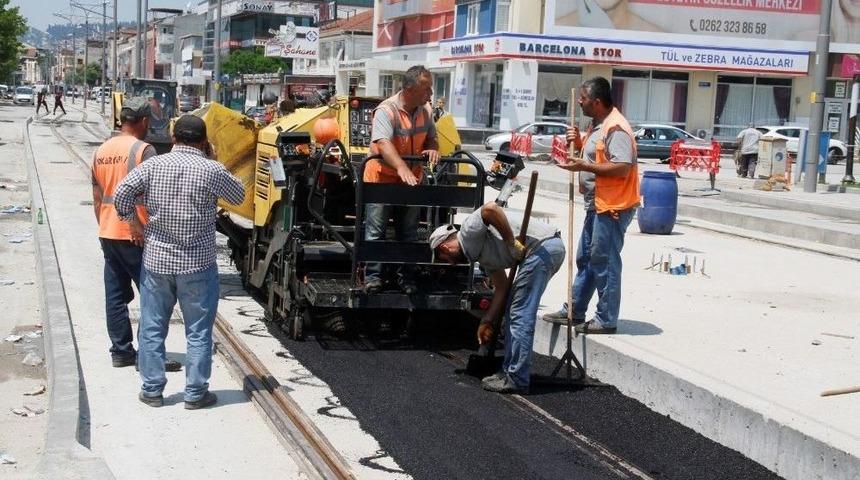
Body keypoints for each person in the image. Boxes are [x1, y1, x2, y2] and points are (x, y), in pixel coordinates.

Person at [113, 115, 244, 409]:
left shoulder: (153, 165)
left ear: (174, 138)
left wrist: (132, 222)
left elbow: (122, 193)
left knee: (152, 326)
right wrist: (213, 160)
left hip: (157, 262)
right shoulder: (212, 169)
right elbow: (238, 195)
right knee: (198, 330)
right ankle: (196, 394)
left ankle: (152, 390)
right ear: (203, 141)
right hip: (198, 265)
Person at [430, 203, 564, 394]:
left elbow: (490, 209)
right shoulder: (480, 254)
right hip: (542, 251)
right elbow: (501, 288)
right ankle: (510, 371)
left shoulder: (468, 232)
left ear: (444, 246)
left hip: (543, 248)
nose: (450, 263)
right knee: (513, 309)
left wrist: (511, 242)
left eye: (444, 258)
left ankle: (516, 378)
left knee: (520, 313)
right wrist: (487, 321)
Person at [542, 76, 640, 335]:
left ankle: (606, 319)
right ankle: (574, 309)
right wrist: (578, 143)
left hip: (613, 206)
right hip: (596, 203)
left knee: (604, 261)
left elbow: (621, 166)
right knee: (586, 258)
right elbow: (595, 153)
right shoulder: (598, 124)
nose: (579, 103)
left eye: (583, 100)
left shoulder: (616, 128)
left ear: (597, 102)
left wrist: (584, 166)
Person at [91, 97, 181, 372]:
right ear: (143, 121)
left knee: (115, 295)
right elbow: (156, 194)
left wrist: (106, 225)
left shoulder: (101, 150)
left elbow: (97, 197)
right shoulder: (144, 150)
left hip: (108, 232)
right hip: (138, 234)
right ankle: (149, 355)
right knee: (154, 296)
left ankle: (121, 352)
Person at [363, 65, 440, 294]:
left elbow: (432, 139)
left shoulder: (425, 110)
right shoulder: (386, 111)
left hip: (411, 180)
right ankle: (373, 277)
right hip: (382, 179)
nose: (430, 94)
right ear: (410, 89)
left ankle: (406, 277)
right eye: (426, 89)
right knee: (375, 231)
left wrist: (433, 150)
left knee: (409, 232)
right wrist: (401, 167)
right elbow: (383, 143)